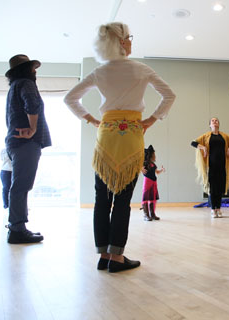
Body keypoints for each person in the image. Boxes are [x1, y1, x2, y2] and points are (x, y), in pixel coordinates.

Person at [64, 22, 175, 272]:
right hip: (133, 133)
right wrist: (152, 119)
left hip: (106, 134)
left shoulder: (100, 72)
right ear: (122, 42)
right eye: (130, 37)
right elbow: (169, 95)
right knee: (122, 200)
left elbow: (69, 98)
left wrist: (91, 119)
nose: (132, 41)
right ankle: (117, 257)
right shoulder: (142, 69)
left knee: (101, 199)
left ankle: (103, 255)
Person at [5, 54, 51, 244]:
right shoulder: (26, 83)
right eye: (33, 68)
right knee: (21, 186)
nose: (35, 71)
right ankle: (17, 229)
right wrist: (32, 129)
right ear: (25, 70)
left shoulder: (14, 87)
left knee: (20, 185)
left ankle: (17, 227)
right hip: (25, 143)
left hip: (16, 143)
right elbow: (32, 104)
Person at [191, 117, 229, 218]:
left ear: (218, 124)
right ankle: (213, 209)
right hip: (211, 165)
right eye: (212, 121)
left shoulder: (224, 136)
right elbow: (193, 142)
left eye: (216, 120)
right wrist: (203, 147)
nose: (215, 122)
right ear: (210, 125)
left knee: (220, 187)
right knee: (213, 188)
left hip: (222, 165)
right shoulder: (206, 136)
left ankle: (219, 208)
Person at [141, 145, 165, 221]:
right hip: (147, 182)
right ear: (150, 155)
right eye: (154, 154)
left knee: (152, 197)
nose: (155, 156)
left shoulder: (153, 164)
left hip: (153, 182)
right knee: (146, 197)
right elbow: (138, 167)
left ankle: (152, 213)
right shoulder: (145, 163)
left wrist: (161, 170)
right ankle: (146, 215)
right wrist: (140, 168)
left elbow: (156, 172)